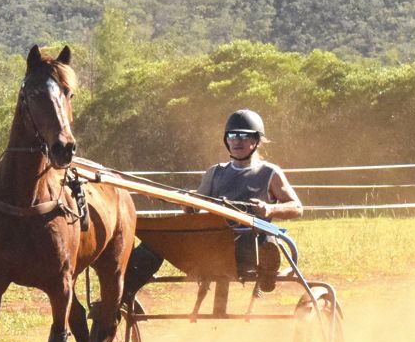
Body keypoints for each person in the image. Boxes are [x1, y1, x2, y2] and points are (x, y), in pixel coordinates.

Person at [125, 108, 303, 296]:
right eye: (232, 135)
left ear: (256, 140)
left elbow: (297, 207)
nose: (237, 140)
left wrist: (270, 208)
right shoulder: (215, 172)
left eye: (244, 135)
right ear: (226, 140)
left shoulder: (269, 173)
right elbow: (194, 211)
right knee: (156, 242)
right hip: (210, 245)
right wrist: (188, 207)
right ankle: (119, 293)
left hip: (248, 245)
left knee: (266, 238)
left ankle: (267, 269)